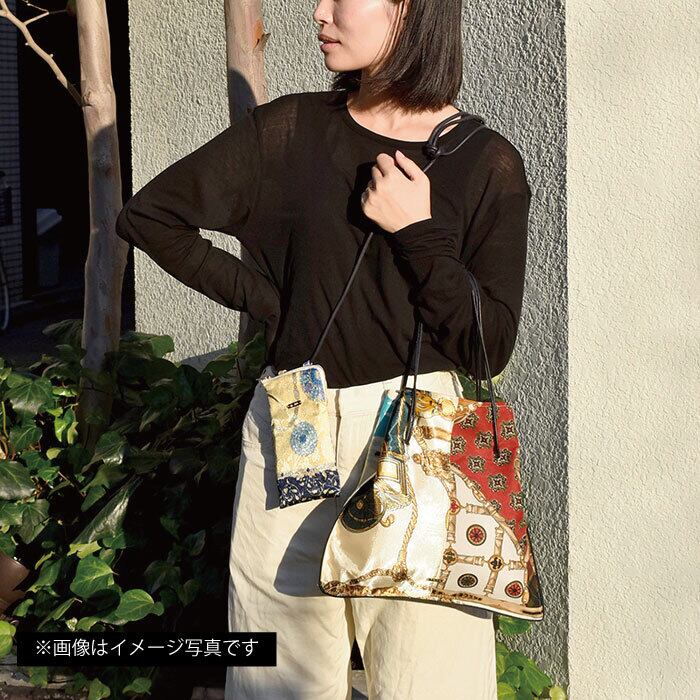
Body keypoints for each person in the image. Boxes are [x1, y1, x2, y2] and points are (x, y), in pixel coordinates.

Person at [115, 0, 532, 697]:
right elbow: (152, 215)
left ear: (410, 10)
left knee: (430, 678)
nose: (319, 12)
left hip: (420, 431)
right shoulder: (288, 132)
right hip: (296, 418)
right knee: (278, 675)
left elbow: (487, 347)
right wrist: (269, 302)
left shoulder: (484, 162)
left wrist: (420, 234)